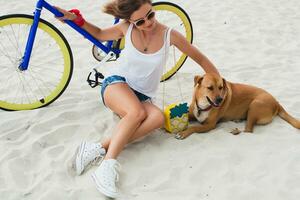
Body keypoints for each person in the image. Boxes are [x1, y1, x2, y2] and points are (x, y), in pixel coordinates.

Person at [56, 0, 220, 198]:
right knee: (137, 113)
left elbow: (201, 59)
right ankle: (107, 166)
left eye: (150, 15)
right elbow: (99, 34)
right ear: (131, 21)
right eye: (140, 22)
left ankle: (98, 148)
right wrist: (77, 20)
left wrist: (220, 86)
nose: (148, 23)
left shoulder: (170, 35)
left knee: (158, 118)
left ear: (152, 7)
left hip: (141, 95)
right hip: (116, 84)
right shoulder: (126, 28)